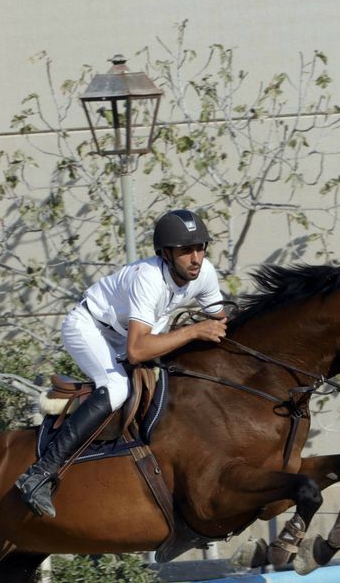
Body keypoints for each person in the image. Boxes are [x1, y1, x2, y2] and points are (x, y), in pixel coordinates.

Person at [15, 208, 230, 518]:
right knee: (117, 387)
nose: (196, 258)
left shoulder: (204, 273)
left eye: (200, 248)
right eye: (186, 251)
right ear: (166, 254)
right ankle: (40, 473)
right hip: (89, 327)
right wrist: (194, 331)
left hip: (131, 334)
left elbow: (221, 323)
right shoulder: (149, 278)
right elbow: (137, 351)